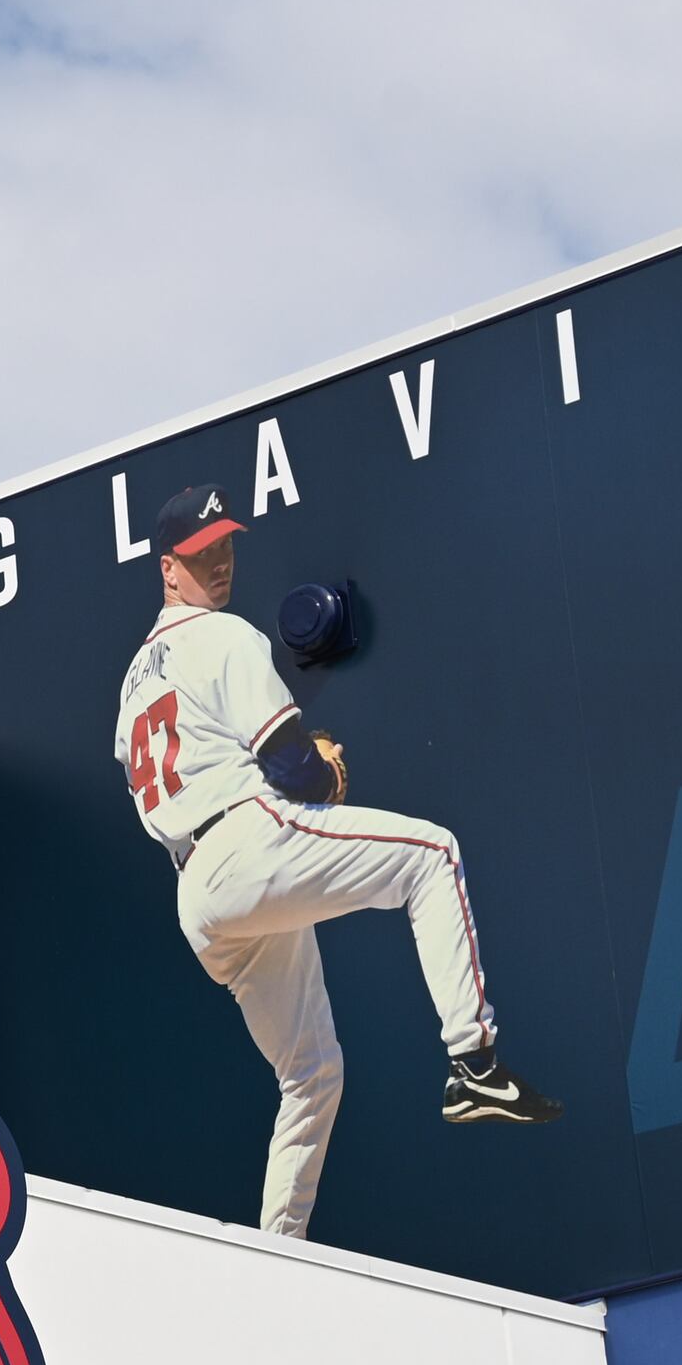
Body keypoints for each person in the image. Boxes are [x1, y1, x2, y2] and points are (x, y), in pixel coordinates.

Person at [113, 481, 552, 1239]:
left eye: (224, 546)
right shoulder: (222, 637)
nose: (218, 562)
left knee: (312, 1074)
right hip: (245, 842)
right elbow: (293, 768)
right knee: (432, 855)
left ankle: (276, 1255)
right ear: (167, 569)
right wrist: (325, 768)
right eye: (199, 553)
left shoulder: (129, 687)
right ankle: (474, 1064)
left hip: (198, 895)